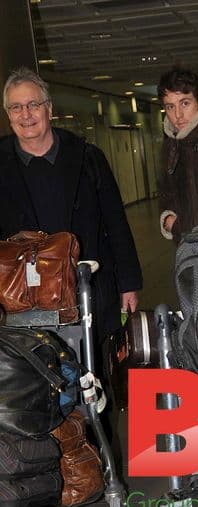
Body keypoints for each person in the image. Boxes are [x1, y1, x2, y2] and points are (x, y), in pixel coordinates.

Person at [0, 67, 141, 347]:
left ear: (49, 109)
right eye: (16, 107)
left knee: (94, 371)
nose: (25, 114)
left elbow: (115, 224)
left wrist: (128, 284)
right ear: (8, 115)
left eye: (33, 105)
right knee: (36, 379)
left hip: (88, 291)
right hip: (21, 299)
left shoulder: (88, 158)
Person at [157, 67, 198, 245]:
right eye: (170, 106)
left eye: (185, 103)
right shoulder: (170, 146)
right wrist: (170, 222)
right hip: (186, 246)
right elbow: (164, 193)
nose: (178, 115)